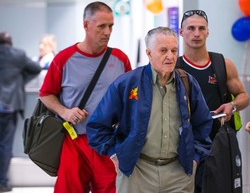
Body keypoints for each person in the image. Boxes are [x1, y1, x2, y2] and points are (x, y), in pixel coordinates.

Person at [86, 26, 213, 193]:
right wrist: (115, 155)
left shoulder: (187, 82)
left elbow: (203, 124)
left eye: (174, 50)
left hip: (178, 173)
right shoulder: (127, 83)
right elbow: (97, 125)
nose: (170, 56)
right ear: (148, 53)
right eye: (163, 50)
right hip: (136, 172)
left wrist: (195, 158)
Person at [39, 1, 132, 193]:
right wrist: (65, 112)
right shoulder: (64, 59)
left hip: (108, 143)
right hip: (75, 141)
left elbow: (131, 99)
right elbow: (45, 94)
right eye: (101, 26)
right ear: (86, 25)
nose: (107, 32)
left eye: (111, 26)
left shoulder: (120, 59)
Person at [177, 9, 249, 192]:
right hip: (184, 145)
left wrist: (232, 105)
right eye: (191, 28)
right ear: (181, 32)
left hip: (217, 143)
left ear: (208, 31)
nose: (196, 33)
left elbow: (244, 97)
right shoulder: (174, 68)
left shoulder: (222, 64)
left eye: (201, 28)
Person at [0, 32, 41, 192]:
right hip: (9, 106)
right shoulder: (18, 55)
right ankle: (2, 182)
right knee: (5, 144)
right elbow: (36, 68)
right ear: (10, 42)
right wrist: (21, 80)